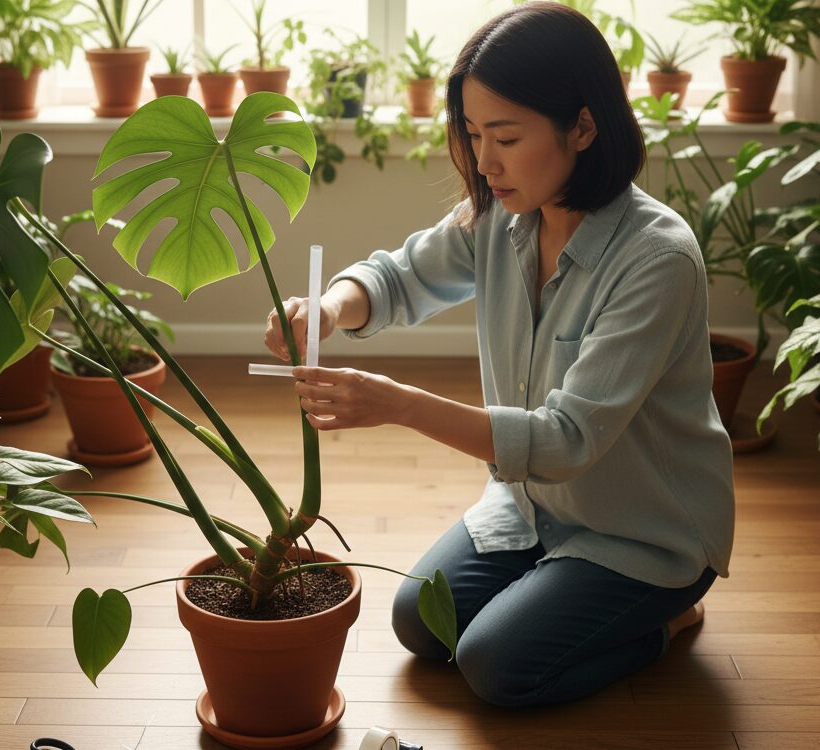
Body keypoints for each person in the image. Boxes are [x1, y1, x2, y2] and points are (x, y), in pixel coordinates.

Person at [263, 1, 734, 707]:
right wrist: (326, 311)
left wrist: (395, 404)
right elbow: (399, 276)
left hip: (643, 533)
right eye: (474, 133)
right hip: (530, 507)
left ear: (582, 125)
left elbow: (567, 440)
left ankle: (666, 619)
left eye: (507, 137)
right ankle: (552, 590)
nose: (484, 161)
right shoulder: (502, 216)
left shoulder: (656, 260)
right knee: (418, 622)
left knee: (493, 665)